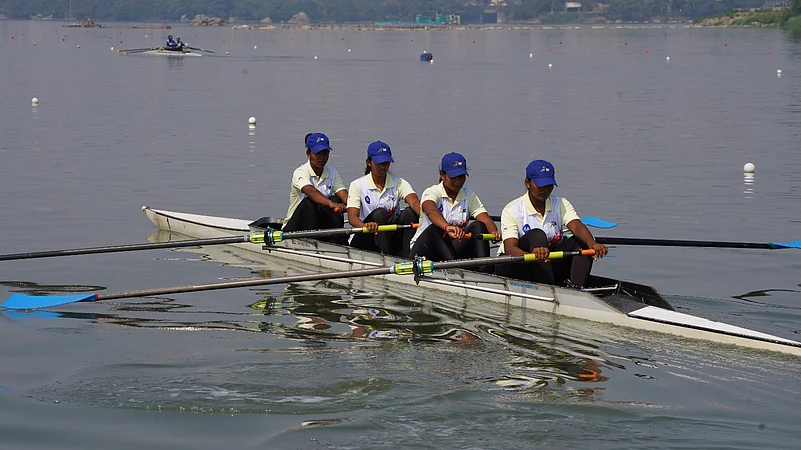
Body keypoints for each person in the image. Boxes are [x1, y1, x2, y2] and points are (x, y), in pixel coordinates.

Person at [495, 160, 608, 288]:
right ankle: (549, 288)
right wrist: (532, 256)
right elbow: (510, 248)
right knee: (537, 235)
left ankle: (577, 289)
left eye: (549, 185)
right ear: (527, 183)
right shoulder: (512, 210)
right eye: (541, 185)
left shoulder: (560, 204)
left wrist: (592, 243)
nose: (545, 190)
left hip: (547, 262)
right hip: (516, 265)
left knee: (582, 242)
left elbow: (576, 226)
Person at [409, 152, 501, 268]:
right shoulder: (432, 192)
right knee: (436, 229)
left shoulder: (469, 195)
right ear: (442, 175)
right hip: (425, 250)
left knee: (478, 226)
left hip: (450, 250)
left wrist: (494, 232)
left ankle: (485, 270)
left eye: (461, 176)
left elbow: (485, 219)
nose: (458, 181)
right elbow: (430, 210)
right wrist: (447, 227)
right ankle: (456, 269)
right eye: (453, 177)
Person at [346, 141, 421, 256]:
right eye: (379, 163)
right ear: (369, 162)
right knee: (379, 214)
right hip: (366, 236)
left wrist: (427, 217)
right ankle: (387, 257)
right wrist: (366, 226)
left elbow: (414, 202)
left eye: (386, 163)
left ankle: (408, 257)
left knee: (409, 213)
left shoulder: (399, 183)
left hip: (390, 237)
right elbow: (352, 218)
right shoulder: (357, 185)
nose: (383, 167)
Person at [282, 133, 348, 244]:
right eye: (317, 154)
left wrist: (351, 207)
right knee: (310, 202)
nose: (322, 157)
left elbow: (344, 195)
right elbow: (310, 191)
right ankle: (314, 242)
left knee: (336, 199)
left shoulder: (332, 172)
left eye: (325, 153)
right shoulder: (300, 172)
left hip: (319, 226)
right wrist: (330, 204)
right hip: (295, 228)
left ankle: (337, 241)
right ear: (308, 154)